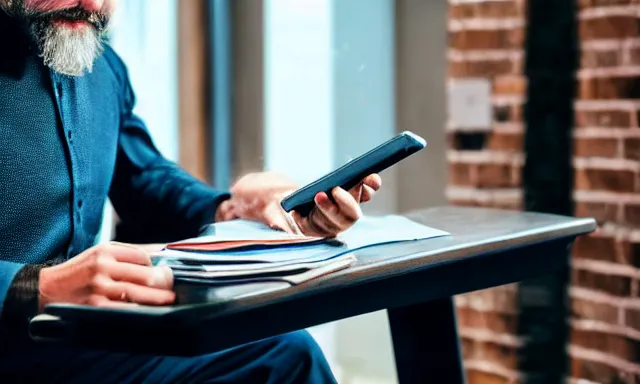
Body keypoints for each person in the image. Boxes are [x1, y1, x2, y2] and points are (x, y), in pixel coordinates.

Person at [0, 0, 382, 382]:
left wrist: (233, 210)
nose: (94, 4)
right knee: (284, 358)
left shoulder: (102, 67)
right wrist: (33, 287)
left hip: (79, 343)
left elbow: (146, 181)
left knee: (283, 352)